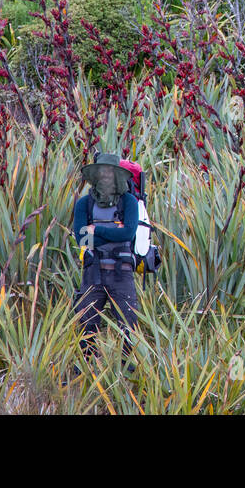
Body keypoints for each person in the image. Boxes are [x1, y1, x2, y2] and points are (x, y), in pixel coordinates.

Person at [72, 152, 140, 357]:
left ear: (118, 176)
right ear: (95, 175)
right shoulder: (83, 204)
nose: (105, 176)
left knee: (129, 327)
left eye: (110, 172)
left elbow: (128, 233)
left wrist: (97, 231)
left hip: (122, 275)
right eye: (102, 172)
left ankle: (128, 376)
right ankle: (85, 376)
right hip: (93, 274)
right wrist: (115, 234)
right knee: (86, 326)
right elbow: (82, 239)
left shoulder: (129, 202)